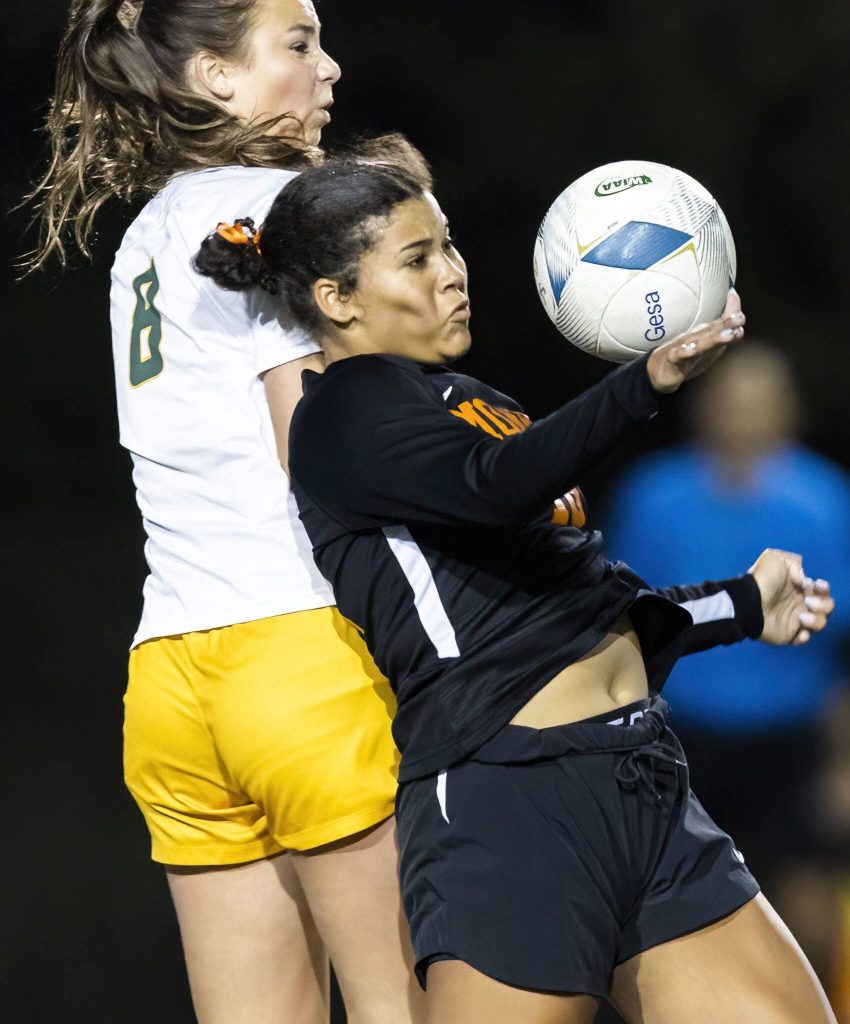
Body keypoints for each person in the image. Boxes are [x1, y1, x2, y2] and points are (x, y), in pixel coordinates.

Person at [195, 157, 838, 1023]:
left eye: (449, 245)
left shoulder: (469, 400)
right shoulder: (341, 417)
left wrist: (742, 604)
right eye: (416, 258)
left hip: (640, 780)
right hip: (511, 805)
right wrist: (645, 385)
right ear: (337, 299)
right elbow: (497, 484)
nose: (453, 272)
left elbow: (582, 610)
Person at [31, 1, 430, 1021]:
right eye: (297, 44)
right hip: (301, 652)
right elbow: (322, 447)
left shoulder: (145, 237)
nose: (330, 67)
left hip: (172, 681)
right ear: (215, 77)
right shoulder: (280, 205)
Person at [604, 342, 850, 1005]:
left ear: (788, 410)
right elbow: (619, 626)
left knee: (808, 910)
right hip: (678, 744)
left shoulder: (825, 500)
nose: (745, 413)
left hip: (788, 743)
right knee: (654, 922)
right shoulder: (653, 494)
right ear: (704, 408)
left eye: (761, 399)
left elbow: (842, 652)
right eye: (731, 398)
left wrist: (840, 764)